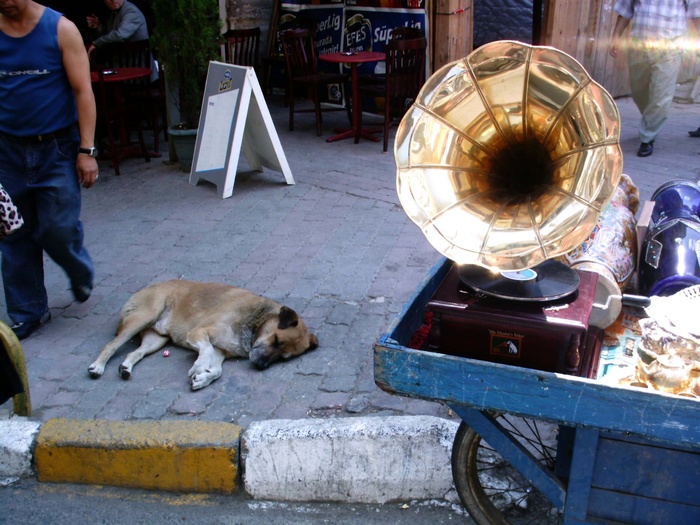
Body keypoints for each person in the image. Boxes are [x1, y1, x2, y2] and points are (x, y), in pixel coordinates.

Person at [0, 0, 98, 340]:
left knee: (57, 226)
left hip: (56, 146)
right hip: (7, 148)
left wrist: (87, 150)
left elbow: (83, 91)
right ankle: (28, 311)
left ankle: (77, 269)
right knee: (13, 232)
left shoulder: (60, 29)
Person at [609, 0, 700, 157]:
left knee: (661, 95)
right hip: (639, 44)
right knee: (639, 90)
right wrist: (616, 36)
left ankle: (647, 138)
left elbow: (696, 14)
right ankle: (651, 120)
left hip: (670, 46)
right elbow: (625, 10)